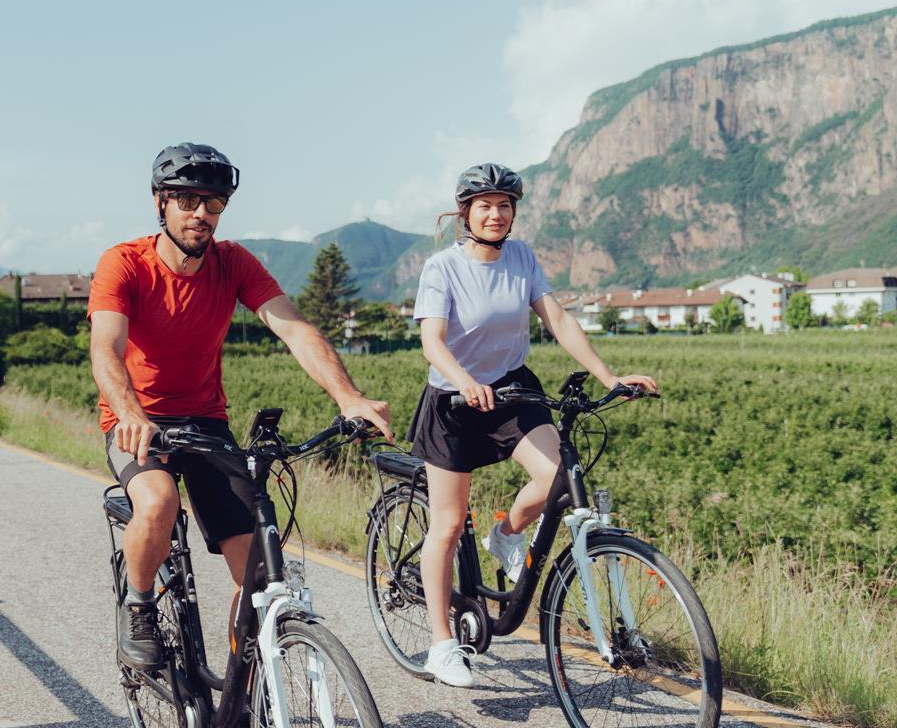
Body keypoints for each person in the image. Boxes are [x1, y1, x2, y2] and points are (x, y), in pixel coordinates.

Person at [91, 142, 395, 670]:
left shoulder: (234, 263)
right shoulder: (124, 264)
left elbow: (294, 329)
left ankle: (243, 682)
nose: (201, 213)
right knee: (159, 502)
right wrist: (131, 411)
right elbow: (106, 349)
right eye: (187, 200)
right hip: (136, 421)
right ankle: (139, 607)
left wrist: (347, 395)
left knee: (257, 572)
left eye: (213, 202)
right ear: (159, 203)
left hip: (206, 424)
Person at [409, 162, 659, 687]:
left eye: (504, 205)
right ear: (465, 214)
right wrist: (462, 379)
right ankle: (440, 643)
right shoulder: (442, 267)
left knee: (558, 479)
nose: (496, 214)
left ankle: (505, 532)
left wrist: (608, 375)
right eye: (485, 205)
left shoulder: (522, 258)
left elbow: (560, 320)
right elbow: (432, 339)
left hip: (511, 387)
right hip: (453, 402)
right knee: (449, 525)